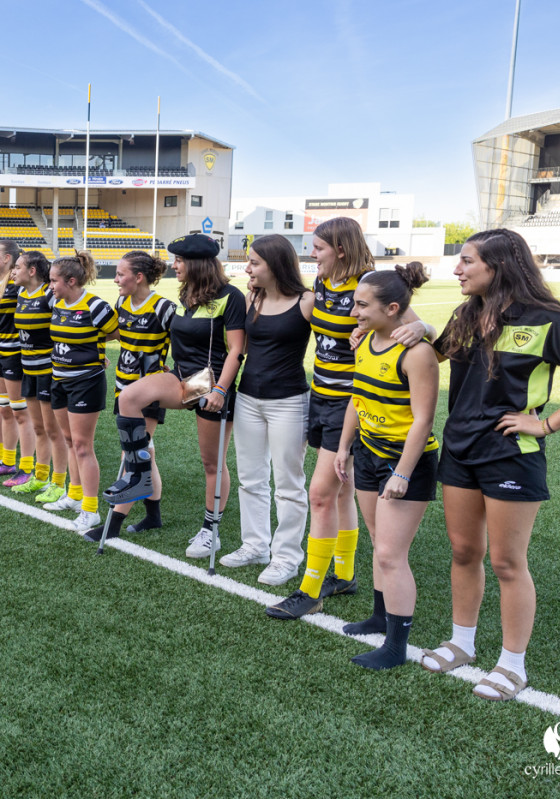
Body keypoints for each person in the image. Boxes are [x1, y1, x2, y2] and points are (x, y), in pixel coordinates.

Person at [419, 229, 560, 700]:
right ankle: (462, 643)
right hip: (460, 450)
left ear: (499, 266)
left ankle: (512, 665)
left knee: (508, 562)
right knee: (463, 552)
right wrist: (416, 328)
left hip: (511, 455)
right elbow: (437, 353)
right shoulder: (467, 315)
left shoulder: (547, 320)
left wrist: (545, 425)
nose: (457, 270)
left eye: (467, 261)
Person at [267, 217, 433, 620]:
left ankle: (310, 590)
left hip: (352, 404)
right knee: (341, 490)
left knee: (320, 494)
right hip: (321, 396)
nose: (311, 254)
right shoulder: (324, 282)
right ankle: (343, 574)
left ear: (340, 250)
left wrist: (424, 326)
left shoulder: (368, 285)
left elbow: (422, 335)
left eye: (318, 248)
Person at [105, 235, 245, 559]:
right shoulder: (186, 294)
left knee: (212, 463)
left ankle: (210, 530)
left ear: (196, 263)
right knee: (129, 398)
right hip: (181, 377)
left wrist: (221, 390)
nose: (174, 265)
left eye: (179, 260)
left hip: (210, 384)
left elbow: (237, 350)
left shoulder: (231, 296)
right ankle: (139, 475)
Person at [334, 263, 439, 670]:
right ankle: (379, 617)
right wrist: (344, 446)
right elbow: (357, 398)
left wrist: (402, 473)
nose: (354, 312)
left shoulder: (417, 353)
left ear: (392, 308)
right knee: (379, 543)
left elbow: (423, 421)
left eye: (362, 305)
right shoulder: (362, 342)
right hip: (368, 452)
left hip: (406, 461)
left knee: (392, 553)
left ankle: (396, 646)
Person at [228, 235, 311, 586]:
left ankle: (287, 558)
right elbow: (242, 348)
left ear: (276, 264)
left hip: (289, 402)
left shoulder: (306, 301)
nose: (247, 268)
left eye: (254, 262)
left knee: (289, 484)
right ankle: (255, 546)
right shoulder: (252, 298)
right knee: (250, 478)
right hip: (248, 398)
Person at [84, 250, 175, 544]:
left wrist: (172, 372)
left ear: (138, 277)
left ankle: (113, 524)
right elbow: (116, 335)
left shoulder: (163, 308)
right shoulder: (122, 302)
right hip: (123, 389)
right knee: (145, 452)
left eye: (120, 274)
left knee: (133, 454)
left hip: (148, 393)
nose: (115, 279)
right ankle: (153, 516)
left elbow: (185, 343)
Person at [47, 251, 119, 532]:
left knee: (82, 446)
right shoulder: (57, 302)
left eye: (54, 281)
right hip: (58, 379)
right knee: (69, 441)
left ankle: (91, 509)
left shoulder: (96, 306)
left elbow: (116, 332)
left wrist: (96, 347)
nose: (51, 286)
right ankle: (74, 495)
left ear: (71, 281)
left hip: (86, 382)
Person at [10, 251, 68, 503]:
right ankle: (41, 477)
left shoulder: (48, 294)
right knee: (38, 428)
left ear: (32, 271)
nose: (14, 271)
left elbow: (68, 325)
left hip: (48, 372)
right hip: (28, 370)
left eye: (18, 266)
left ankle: (59, 483)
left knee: (54, 431)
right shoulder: (22, 294)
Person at [0, 239, 36, 486]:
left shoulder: (17, 287)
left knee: (20, 413)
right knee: (4, 409)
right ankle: (7, 461)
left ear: (6, 258)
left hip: (14, 355)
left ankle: (26, 467)